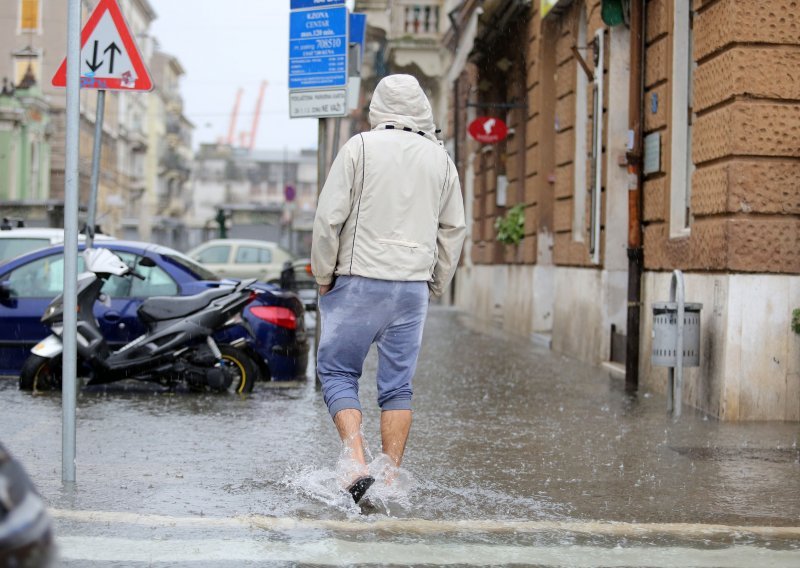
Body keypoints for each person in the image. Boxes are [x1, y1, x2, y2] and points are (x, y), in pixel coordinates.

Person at [311, 74, 466, 504]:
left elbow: (329, 219)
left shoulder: (359, 148)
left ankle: (356, 463)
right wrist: (435, 280)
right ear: (423, 110)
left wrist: (324, 273)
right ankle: (390, 478)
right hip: (411, 288)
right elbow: (453, 229)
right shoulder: (441, 159)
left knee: (339, 372)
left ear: (378, 107)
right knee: (398, 386)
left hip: (358, 280)